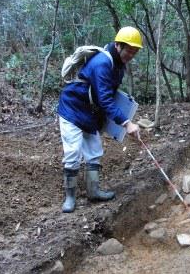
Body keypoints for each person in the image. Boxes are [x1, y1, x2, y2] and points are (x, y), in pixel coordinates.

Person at [57, 26, 142, 213]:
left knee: (94, 151)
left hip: (90, 112)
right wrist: (126, 123)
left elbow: (108, 94)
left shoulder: (118, 64)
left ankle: (93, 191)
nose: (131, 55)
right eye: (129, 51)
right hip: (72, 109)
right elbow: (105, 99)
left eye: (135, 53)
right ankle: (70, 198)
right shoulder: (103, 63)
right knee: (72, 153)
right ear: (118, 45)